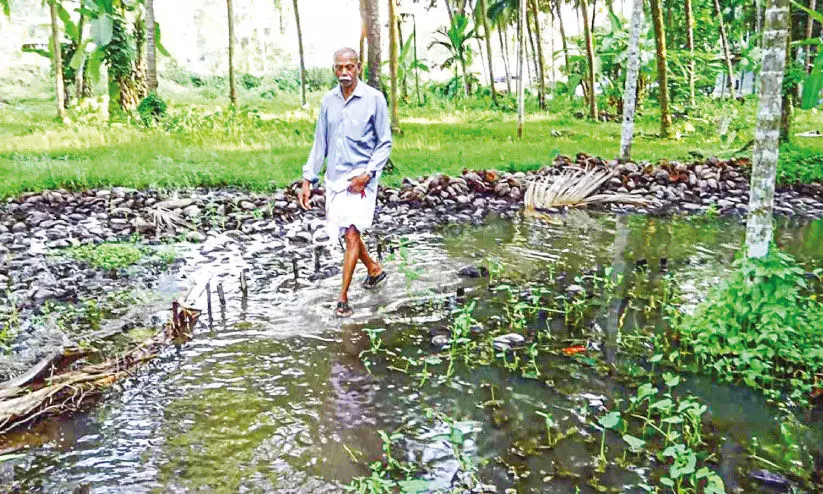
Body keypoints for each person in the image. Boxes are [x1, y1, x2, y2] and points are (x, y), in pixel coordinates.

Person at [299, 47, 391, 317]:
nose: (344, 72)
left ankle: (342, 299)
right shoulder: (328, 101)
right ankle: (374, 270)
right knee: (344, 232)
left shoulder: (375, 99)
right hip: (336, 179)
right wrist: (308, 179)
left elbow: (384, 143)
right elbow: (320, 143)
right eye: (339, 67)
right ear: (334, 69)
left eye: (349, 67)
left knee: (351, 234)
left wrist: (368, 174)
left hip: (362, 178)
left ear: (359, 67)